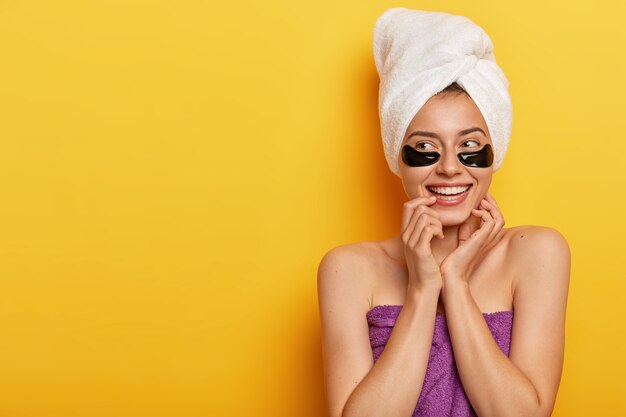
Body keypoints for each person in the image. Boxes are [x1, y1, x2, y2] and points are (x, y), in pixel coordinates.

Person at [317, 8, 570, 417]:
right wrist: (422, 288)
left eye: (469, 147)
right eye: (425, 150)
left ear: (494, 153)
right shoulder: (347, 269)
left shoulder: (537, 252)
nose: (450, 168)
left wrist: (455, 282)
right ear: (397, 158)